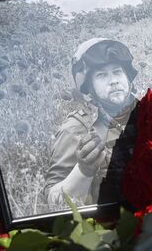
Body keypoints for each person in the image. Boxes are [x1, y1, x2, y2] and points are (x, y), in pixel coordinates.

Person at [44, 38, 139, 206]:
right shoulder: (76, 128)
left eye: (117, 72)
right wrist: (83, 170)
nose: (114, 80)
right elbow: (53, 201)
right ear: (89, 86)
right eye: (102, 75)